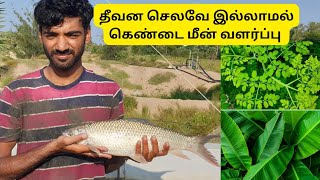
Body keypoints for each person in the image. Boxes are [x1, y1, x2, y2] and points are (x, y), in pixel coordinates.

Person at [0, 0, 169, 179]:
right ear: (40, 35)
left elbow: (107, 165)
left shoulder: (109, 91)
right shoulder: (16, 92)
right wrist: (53, 148)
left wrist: (133, 153)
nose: (61, 46)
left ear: (87, 34)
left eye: (72, 35)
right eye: (51, 35)